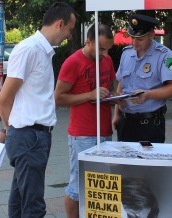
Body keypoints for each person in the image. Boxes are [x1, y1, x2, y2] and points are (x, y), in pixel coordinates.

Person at [0, 2, 76, 217]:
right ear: (60, 24)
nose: (69, 35)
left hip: (33, 136)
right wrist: (9, 129)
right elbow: (4, 98)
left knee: (20, 198)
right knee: (33, 205)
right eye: (70, 29)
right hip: (29, 137)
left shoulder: (43, 51)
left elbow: (21, 99)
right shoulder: (29, 49)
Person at [54, 23, 116, 218]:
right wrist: (90, 94)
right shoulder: (73, 62)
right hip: (82, 135)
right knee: (78, 187)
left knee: (102, 186)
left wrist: (122, 98)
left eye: (108, 49)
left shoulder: (107, 60)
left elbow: (111, 90)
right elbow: (58, 97)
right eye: (101, 49)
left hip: (105, 132)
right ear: (88, 42)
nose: (105, 54)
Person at [112, 13, 172, 143]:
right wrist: (116, 114)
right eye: (132, 37)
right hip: (125, 122)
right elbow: (122, 83)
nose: (134, 43)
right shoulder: (126, 54)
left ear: (151, 35)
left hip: (149, 124)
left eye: (139, 39)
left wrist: (148, 95)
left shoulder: (166, 56)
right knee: (125, 163)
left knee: (148, 163)